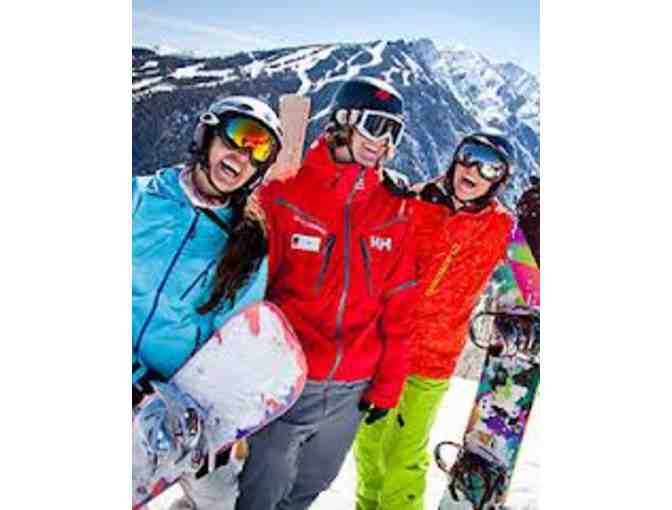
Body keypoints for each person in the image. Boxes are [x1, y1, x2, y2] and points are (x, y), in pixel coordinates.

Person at [235, 77, 417, 510]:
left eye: (393, 131)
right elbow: (248, 292)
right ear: (344, 121)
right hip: (288, 377)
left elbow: (401, 304)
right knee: (260, 489)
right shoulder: (285, 195)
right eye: (375, 125)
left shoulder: (394, 209)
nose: (382, 140)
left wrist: (389, 383)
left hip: (352, 387)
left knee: (314, 482)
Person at [132, 96, 283, 510]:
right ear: (207, 136)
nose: (243, 155)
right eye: (237, 136)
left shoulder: (246, 243)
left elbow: (234, 336)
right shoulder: (138, 198)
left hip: (177, 398)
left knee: (216, 497)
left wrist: (221, 423)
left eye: (259, 151)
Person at [353, 133, 515, 510]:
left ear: (499, 181)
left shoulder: (500, 226)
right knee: (368, 446)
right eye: (469, 156)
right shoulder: (415, 201)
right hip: (382, 348)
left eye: (489, 167)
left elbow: (531, 270)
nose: (474, 169)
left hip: (431, 359)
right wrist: (382, 195)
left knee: (404, 454)